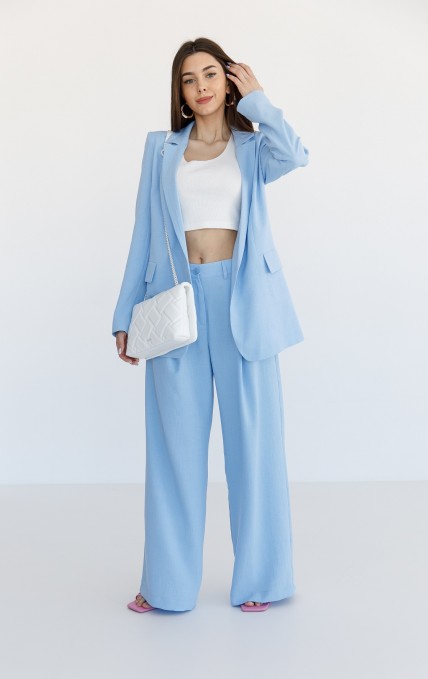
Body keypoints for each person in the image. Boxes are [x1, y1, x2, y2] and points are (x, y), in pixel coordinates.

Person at [112, 37, 309, 613]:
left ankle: (263, 581)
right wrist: (125, 314)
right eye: (188, 78)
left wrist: (260, 100)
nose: (200, 87)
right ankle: (167, 586)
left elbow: (297, 154)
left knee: (254, 448)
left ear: (228, 82)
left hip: (244, 301)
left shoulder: (254, 147)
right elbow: (143, 233)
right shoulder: (160, 149)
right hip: (175, 301)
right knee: (174, 449)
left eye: (211, 75)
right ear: (179, 91)